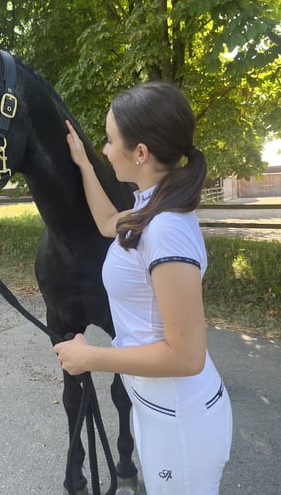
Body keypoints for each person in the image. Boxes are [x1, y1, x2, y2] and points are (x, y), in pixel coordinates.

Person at [54, 82, 232, 494]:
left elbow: (187, 356)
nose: (104, 148)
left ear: (141, 153)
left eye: (111, 140)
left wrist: (90, 357)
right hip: (156, 407)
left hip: (180, 419)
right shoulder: (150, 206)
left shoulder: (167, 230)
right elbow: (104, 223)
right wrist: (82, 163)